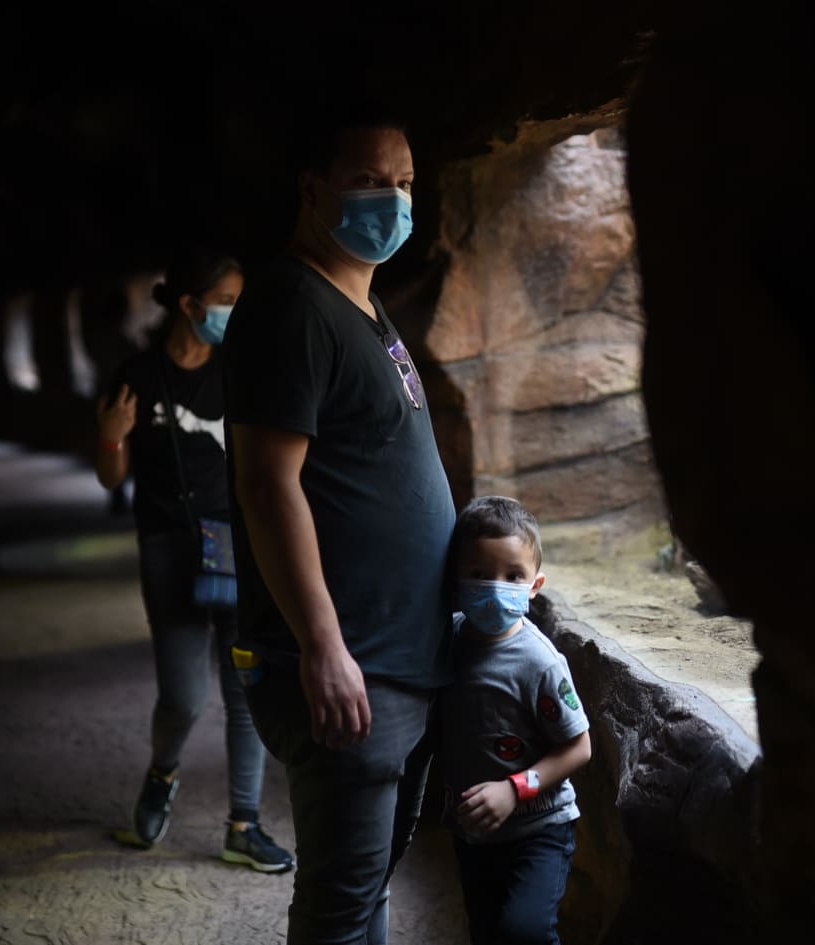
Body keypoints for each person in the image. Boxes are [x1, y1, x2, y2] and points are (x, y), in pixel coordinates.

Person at [222, 107, 456, 943]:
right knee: (340, 905)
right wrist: (323, 645)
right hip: (351, 663)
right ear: (313, 187)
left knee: (368, 891)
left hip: (399, 658)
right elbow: (265, 483)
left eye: (404, 183)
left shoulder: (360, 303)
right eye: (367, 181)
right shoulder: (291, 307)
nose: (391, 201)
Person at [94, 246, 294, 873]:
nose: (235, 313)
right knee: (182, 696)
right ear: (189, 305)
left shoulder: (240, 371)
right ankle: (162, 773)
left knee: (244, 692)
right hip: (168, 550)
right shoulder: (137, 374)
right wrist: (112, 431)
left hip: (238, 545)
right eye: (227, 301)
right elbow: (109, 477)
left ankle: (244, 824)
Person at [436, 496, 593, 945]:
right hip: (473, 830)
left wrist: (513, 789)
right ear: (455, 576)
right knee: (486, 933)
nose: (493, 587)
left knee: (524, 932)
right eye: (480, 574)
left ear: (535, 585)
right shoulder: (446, 639)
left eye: (512, 577)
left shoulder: (540, 663)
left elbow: (579, 746)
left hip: (539, 828)